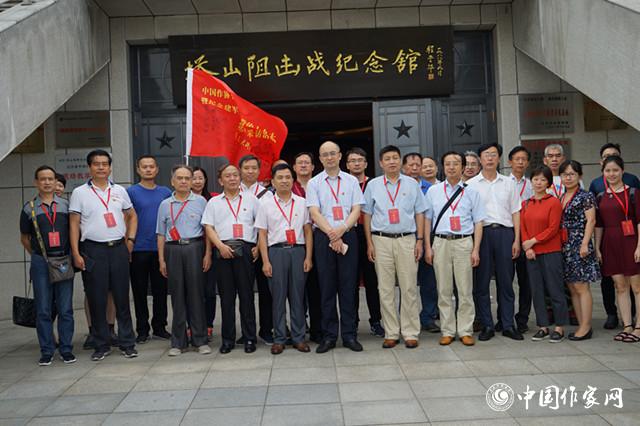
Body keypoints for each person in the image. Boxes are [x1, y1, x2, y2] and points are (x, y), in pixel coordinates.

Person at [69, 149, 138, 361]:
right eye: (96, 164)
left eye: (105, 164)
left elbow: (132, 215)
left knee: (122, 297)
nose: (101, 167)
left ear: (109, 167)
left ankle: (127, 343)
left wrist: (130, 240)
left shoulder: (119, 190)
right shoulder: (80, 193)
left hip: (118, 248)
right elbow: (74, 224)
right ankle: (101, 344)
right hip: (92, 250)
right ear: (89, 167)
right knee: (96, 298)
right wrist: (76, 252)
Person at [363, 145, 426, 348]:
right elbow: (367, 215)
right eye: (387, 158)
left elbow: (420, 212)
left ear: (400, 161)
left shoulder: (412, 184)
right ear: (381, 163)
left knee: (409, 287)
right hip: (381, 240)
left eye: (395, 158)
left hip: (407, 239)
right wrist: (369, 243)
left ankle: (410, 332)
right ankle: (391, 332)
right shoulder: (373, 185)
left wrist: (419, 240)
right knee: (385, 288)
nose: (392, 161)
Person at [307, 141, 364, 353]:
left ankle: (349, 335)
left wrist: (342, 229)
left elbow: (356, 209)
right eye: (325, 154)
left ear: (340, 156)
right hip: (324, 236)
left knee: (348, 287)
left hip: (347, 234)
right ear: (320, 158)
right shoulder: (314, 183)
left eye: (333, 153)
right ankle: (329, 336)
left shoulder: (351, 181)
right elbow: (314, 212)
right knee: (327, 287)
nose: (329, 157)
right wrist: (332, 233)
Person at [424, 152, 485, 346]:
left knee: (465, 289)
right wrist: (428, 247)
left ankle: (465, 330)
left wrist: (476, 249)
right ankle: (448, 330)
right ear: (443, 167)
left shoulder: (472, 192)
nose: (451, 167)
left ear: (463, 167)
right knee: (443, 289)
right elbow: (427, 221)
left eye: (456, 163)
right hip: (440, 242)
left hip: (463, 242)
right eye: (448, 163)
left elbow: (478, 222)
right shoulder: (433, 191)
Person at [20, 166, 75, 366]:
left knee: (65, 308)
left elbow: (73, 232)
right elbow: (25, 238)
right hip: (41, 262)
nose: (47, 182)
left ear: (55, 181)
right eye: (42, 179)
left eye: (50, 179)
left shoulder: (66, 206)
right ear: (36, 182)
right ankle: (47, 350)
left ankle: (66, 349)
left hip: (63, 260)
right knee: (43, 309)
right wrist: (39, 256)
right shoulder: (29, 208)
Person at [256, 163, 313, 354]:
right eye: (280, 178)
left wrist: (308, 257)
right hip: (276, 252)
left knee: (298, 296)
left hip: (298, 252)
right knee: (278, 298)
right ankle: (279, 338)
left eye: (288, 177)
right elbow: (262, 234)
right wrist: (265, 261)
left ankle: (299, 337)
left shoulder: (302, 202)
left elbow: (307, 231)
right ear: (272, 182)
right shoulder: (265, 204)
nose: (284, 181)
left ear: (293, 180)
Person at [468, 143, 523, 341]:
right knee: (481, 282)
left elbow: (516, 212)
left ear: (499, 158)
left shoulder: (509, 183)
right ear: (480, 159)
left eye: (493, 155)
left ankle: (507, 324)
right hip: (481, 235)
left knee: (506, 281)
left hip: (505, 234)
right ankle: (487, 325)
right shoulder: (471, 185)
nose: (490, 158)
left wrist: (516, 239)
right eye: (486, 155)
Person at [202, 164, 259, 354]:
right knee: (226, 298)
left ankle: (249, 338)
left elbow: (261, 226)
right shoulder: (214, 202)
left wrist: (258, 247)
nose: (232, 178)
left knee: (247, 296)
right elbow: (208, 227)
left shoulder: (251, 200)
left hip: (246, 249)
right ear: (220, 181)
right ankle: (228, 340)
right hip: (223, 250)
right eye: (228, 176)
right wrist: (220, 246)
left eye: (235, 175)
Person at [157, 165, 211, 355]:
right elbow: (160, 234)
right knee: (177, 295)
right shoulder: (165, 204)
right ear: (172, 181)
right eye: (179, 178)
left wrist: (207, 254)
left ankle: (200, 340)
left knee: (196, 294)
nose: (183, 181)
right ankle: (178, 342)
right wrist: (161, 259)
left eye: (187, 178)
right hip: (172, 249)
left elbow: (208, 230)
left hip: (195, 247)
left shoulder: (201, 201)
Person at [588, 143, 640, 329]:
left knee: (636, 286)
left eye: (615, 170)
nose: (612, 174)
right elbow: (598, 224)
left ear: (622, 171)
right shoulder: (600, 194)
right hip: (610, 243)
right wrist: (597, 248)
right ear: (603, 171)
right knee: (619, 286)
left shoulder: (633, 191)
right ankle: (626, 325)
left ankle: (638, 326)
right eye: (608, 170)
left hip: (630, 241)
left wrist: (639, 246)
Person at [520, 166, 568, 343]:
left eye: (543, 180)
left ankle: (559, 327)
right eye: (535, 179)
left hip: (551, 251)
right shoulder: (526, 203)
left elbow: (553, 228)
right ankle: (543, 326)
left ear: (548, 183)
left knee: (555, 289)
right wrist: (527, 247)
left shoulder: (553, 202)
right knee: (537, 290)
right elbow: (523, 227)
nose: (539, 183)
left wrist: (533, 241)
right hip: (532, 253)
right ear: (531, 181)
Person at [127, 155, 172, 343]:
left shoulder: (166, 192)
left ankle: (160, 326)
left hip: (161, 249)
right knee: (139, 291)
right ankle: (142, 329)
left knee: (161, 290)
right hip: (138, 248)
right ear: (138, 169)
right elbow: (126, 218)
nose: (148, 169)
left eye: (151, 166)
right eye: (144, 166)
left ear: (157, 169)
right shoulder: (130, 192)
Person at [345, 147, 384, 338]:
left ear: (366, 164)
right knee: (350, 281)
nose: (356, 163)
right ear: (347, 165)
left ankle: (375, 321)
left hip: (371, 235)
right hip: (349, 233)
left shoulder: (374, 184)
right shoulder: (344, 184)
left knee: (372, 281)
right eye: (352, 161)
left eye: (359, 160)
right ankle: (352, 322)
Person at [560, 160, 600, 341]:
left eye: (572, 174)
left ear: (579, 176)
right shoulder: (562, 196)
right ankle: (581, 324)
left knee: (582, 286)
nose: (568, 178)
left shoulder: (586, 196)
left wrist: (585, 244)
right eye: (565, 174)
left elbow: (591, 221)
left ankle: (586, 326)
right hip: (565, 245)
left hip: (579, 243)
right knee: (572, 287)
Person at [239, 154, 274, 344]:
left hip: (263, 249)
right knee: (245, 292)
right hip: (242, 248)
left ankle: (266, 329)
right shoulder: (233, 191)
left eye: (254, 168)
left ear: (259, 171)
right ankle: (247, 332)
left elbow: (269, 224)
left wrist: (259, 248)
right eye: (246, 168)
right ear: (240, 170)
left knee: (266, 291)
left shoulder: (267, 194)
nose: (250, 171)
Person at [292, 152, 322, 342]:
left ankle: (318, 328)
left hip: (318, 238)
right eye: (300, 163)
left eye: (307, 163)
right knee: (297, 288)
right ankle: (299, 327)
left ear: (312, 167)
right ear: (294, 167)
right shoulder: (287, 187)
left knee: (316, 286)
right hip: (296, 242)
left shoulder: (319, 185)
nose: (303, 165)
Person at [508, 146, 534, 333]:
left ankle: (523, 318)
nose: (520, 162)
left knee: (526, 282)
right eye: (516, 159)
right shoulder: (503, 183)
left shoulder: (533, 184)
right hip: (508, 234)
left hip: (527, 237)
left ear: (528, 163)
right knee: (506, 279)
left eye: (523, 159)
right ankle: (506, 318)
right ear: (509, 162)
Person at [192, 166, 216, 340]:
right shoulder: (181, 199)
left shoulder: (213, 199)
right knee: (192, 289)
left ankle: (208, 324)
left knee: (209, 290)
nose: (197, 181)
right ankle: (193, 324)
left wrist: (209, 253)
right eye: (194, 178)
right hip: (191, 247)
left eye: (200, 178)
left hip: (211, 248)